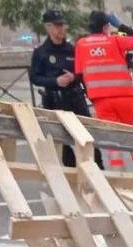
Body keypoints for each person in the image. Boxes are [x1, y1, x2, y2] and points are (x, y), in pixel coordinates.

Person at [74, 10, 133, 173]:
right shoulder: (115, 40)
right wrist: (120, 25)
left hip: (101, 100)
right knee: (132, 135)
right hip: (124, 97)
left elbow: (79, 74)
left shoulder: (81, 44)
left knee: (112, 141)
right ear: (106, 25)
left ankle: (119, 180)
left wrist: (90, 93)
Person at [28, 9, 104, 169]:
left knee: (88, 137)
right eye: (57, 26)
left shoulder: (72, 49)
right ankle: (74, 175)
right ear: (48, 27)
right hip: (54, 101)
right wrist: (55, 81)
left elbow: (83, 72)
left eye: (62, 25)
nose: (61, 29)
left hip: (75, 98)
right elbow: (35, 78)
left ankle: (99, 170)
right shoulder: (41, 52)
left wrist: (73, 77)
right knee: (62, 142)